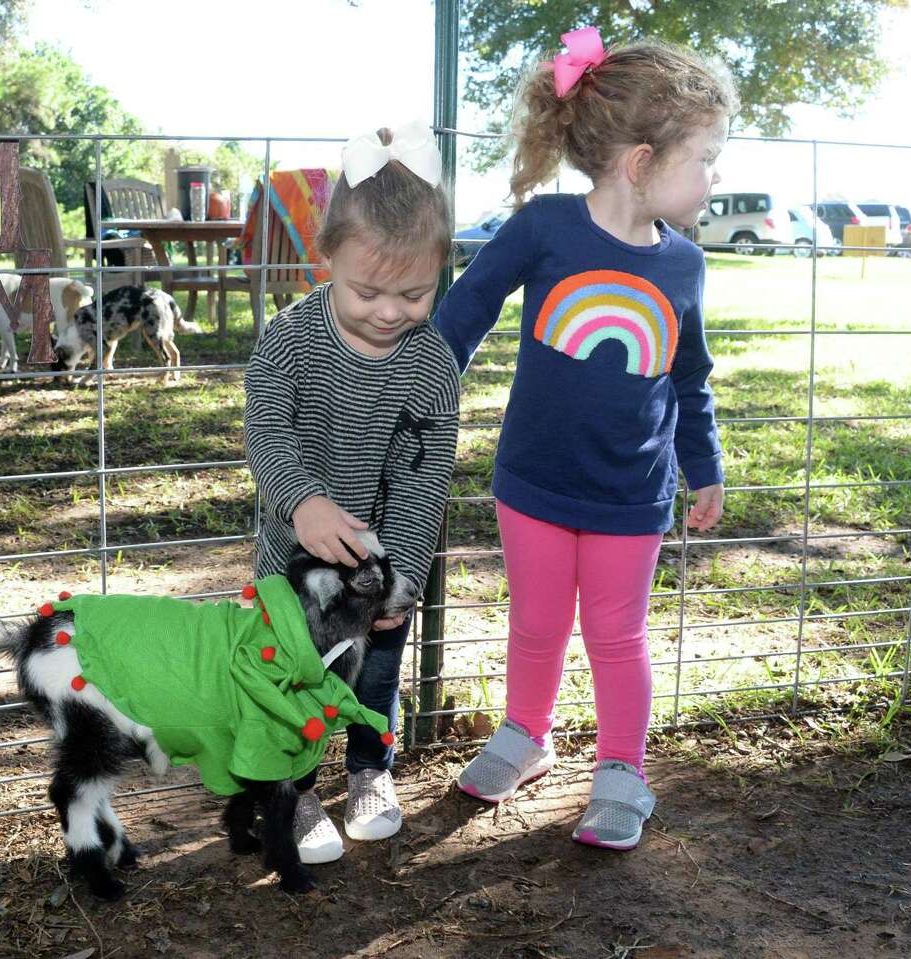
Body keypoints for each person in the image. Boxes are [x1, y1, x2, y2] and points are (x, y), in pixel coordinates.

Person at [434, 27, 737, 850]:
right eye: (706, 158)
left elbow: (689, 376)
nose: (716, 176)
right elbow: (467, 308)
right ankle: (525, 734)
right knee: (536, 621)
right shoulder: (546, 228)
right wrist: (423, 386)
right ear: (642, 161)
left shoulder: (684, 266)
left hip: (629, 495)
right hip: (532, 480)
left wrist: (703, 465)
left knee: (615, 632)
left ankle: (622, 770)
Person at [244, 121, 461, 863]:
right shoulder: (288, 339)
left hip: (380, 566)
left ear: (440, 270)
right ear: (327, 257)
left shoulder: (432, 366)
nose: (390, 310)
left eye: (415, 292)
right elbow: (266, 430)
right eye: (367, 290)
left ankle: (370, 769)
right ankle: (295, 787)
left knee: (376, 670)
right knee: (294, 673)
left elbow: (423, 482)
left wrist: (398, 578)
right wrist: (302, 501)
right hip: (292, 562)